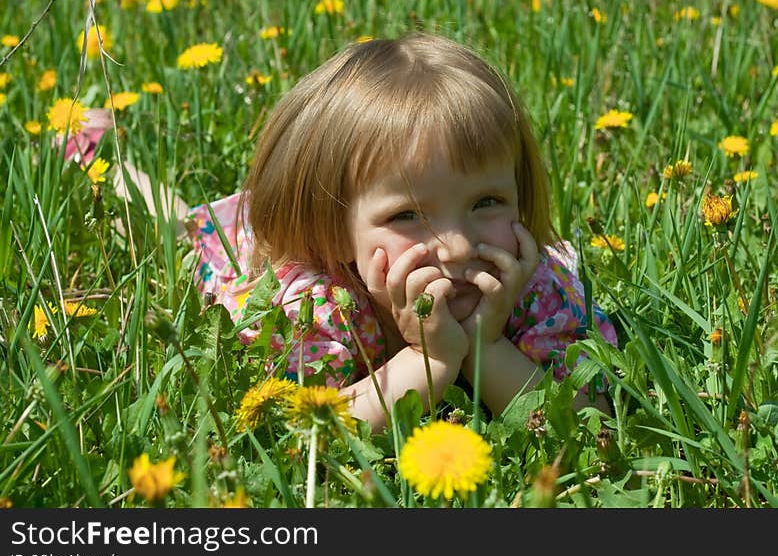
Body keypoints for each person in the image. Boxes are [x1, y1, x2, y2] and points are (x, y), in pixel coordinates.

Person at [164, 33, 617, 432]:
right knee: (172, 222)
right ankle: (119, 168)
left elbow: (587, 419)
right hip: (241, 245)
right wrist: (430, 361)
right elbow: (304, 430)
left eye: (486, 203)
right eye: (406, 215)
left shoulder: (530, 285)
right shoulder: (316, 307)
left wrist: (486, 347)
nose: (456, 246)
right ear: (334, 229)